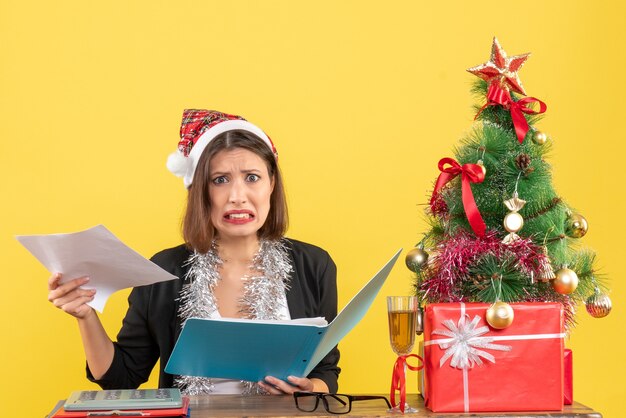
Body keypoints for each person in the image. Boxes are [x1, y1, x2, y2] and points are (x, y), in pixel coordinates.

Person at [47, 109, 340, 395]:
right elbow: (121, 378)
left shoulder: (313, 265)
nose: (238, 197)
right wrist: (85, 316)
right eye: (220, 180)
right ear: (199, 191)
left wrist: (311, 387)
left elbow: (325, 370)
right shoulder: (164, 270)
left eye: (252, 177)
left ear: (271, 184)